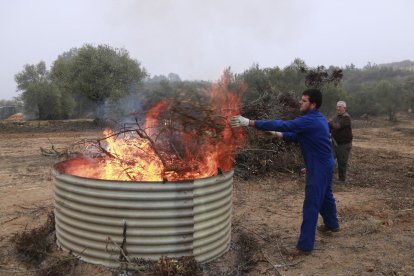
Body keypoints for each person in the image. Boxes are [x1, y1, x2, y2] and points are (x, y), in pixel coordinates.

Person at [230, 89, 339, 254]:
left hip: (319, 166)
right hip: (325, 163)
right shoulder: (318, 118)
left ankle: (305, 246)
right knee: (325, 196)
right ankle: (332, 225)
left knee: (312, 204)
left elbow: (285, 124)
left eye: (303, 100)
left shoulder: (309, 120)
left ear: (313, 104)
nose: (300, 102)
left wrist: (249, 122)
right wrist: (277, 134)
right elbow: (298, 136)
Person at [329, 101, 353, 184]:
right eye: (337, 106)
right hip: (335, 143)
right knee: (330, 160)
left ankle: (342, 180)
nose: (338, 108)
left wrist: (331, 122)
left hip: (344, 144)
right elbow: (330, 125)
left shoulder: (346, 118)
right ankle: (329, 178)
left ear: (344, 108)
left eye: (340, 106)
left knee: (342, 162)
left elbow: (337, 126)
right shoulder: (336, 117)